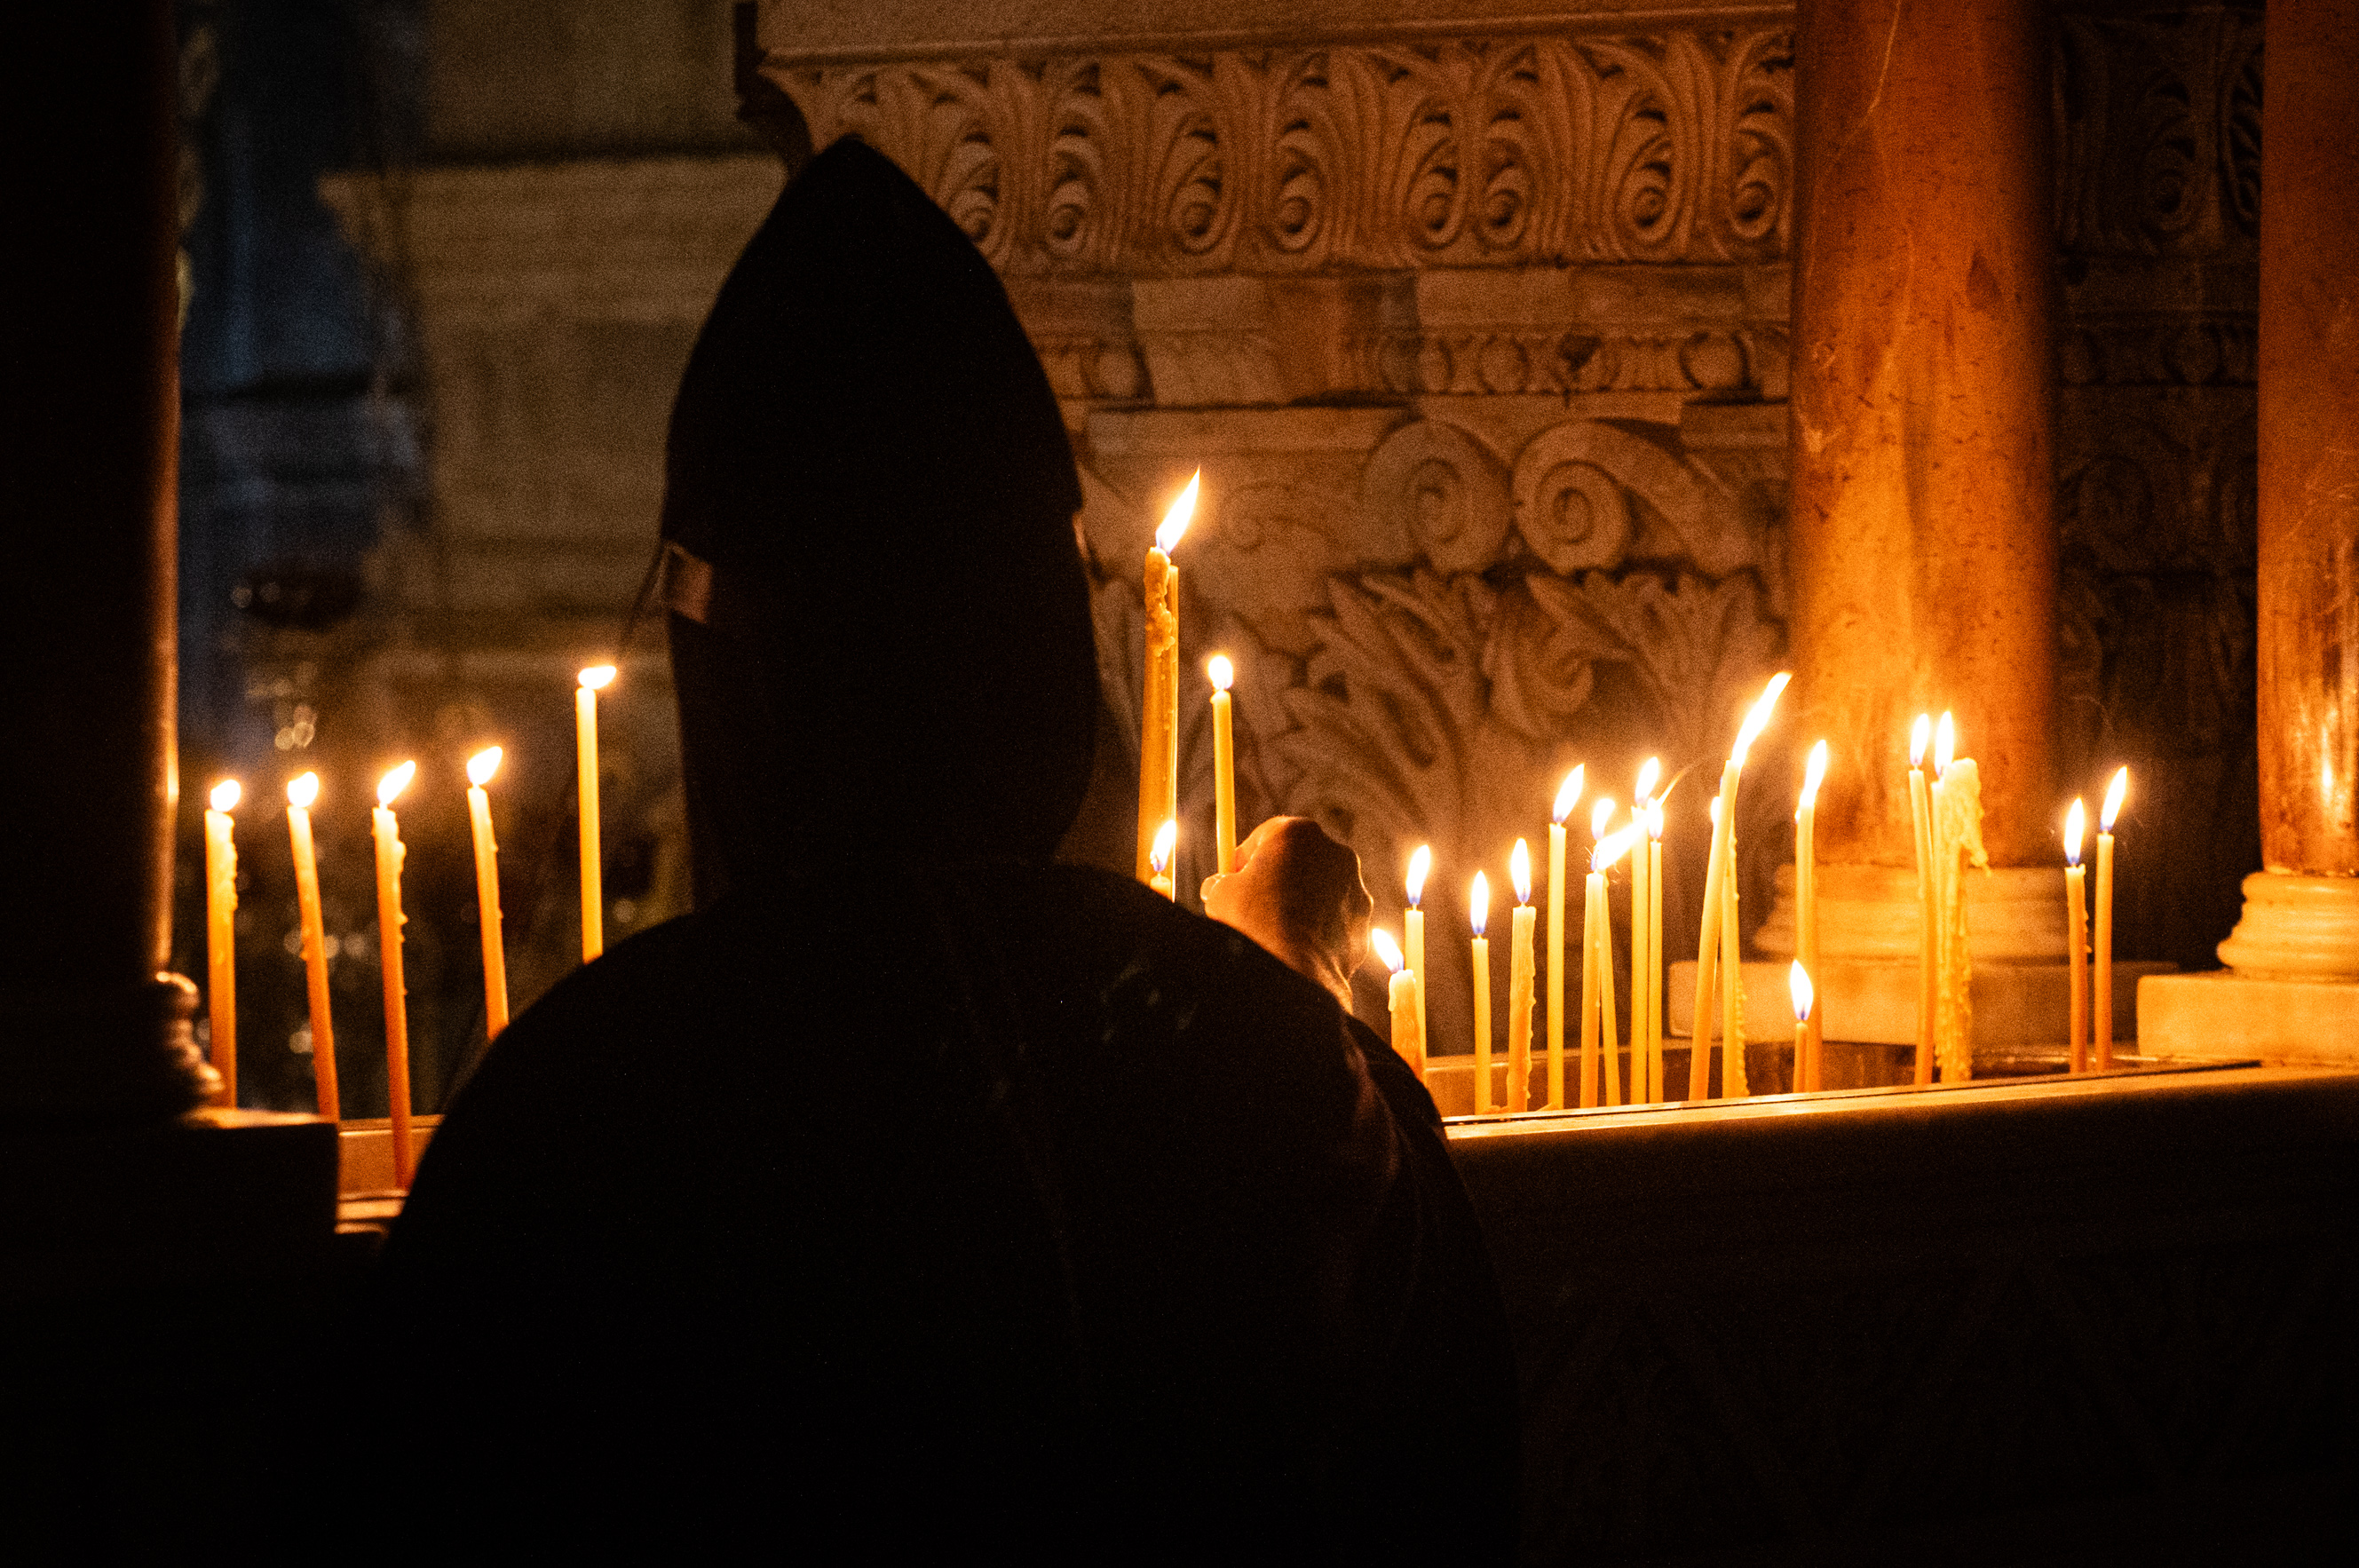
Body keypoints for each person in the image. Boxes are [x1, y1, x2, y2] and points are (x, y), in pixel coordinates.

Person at [372, 137, 1516, 1556]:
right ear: (1042, 631)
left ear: (736, 668)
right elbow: (1441, 1447)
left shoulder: (589, 1105)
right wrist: (1302, 999)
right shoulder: (1256, 1066)